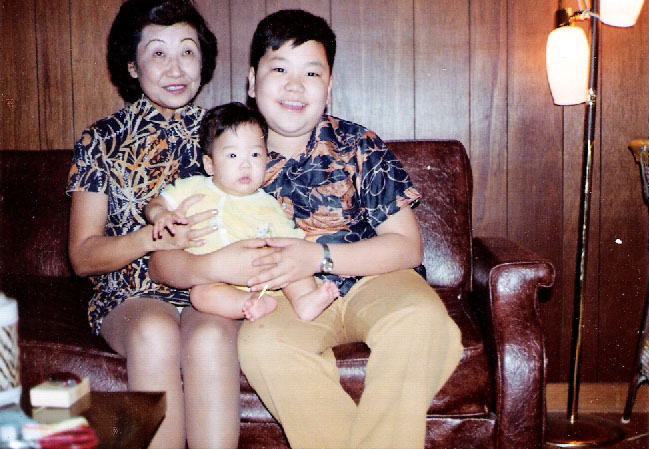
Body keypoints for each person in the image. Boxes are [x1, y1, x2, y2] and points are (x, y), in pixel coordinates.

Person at [148, 8, 464, 449]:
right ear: (252, 82)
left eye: (312, 73)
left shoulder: (359, 144)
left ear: (329, 87)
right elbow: (162, 263)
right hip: (282, 299)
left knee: (422, 323)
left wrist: (318, 257)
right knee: (264, 347)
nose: (295, 86)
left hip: (375, 280)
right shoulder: (223, 156)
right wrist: (216, 264)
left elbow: (408, 247)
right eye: (279, 69)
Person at [66, 1, 242, 448]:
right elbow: (83, 256)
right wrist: (152, 237)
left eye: (187, 51)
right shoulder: (101, 140)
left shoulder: (229, 135)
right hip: (131, 297)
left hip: (211, 289)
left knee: (209, 337)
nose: (175, 68)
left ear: (202, 62)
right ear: (132, 65)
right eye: (158, 53)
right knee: (155, 332)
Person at [146, 102, 340, 322]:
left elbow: (290, 242)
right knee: (200, 295)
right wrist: (160, 215)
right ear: (209, 164)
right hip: (215, 279)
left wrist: (293, 260)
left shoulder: (268, 204)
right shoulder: (193, 187)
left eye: (255, 155)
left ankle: (305, 300)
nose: (246, 165)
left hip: (265, 273)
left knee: (294, 270)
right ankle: (250, 304)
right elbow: (156, 204)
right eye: (232, 156)